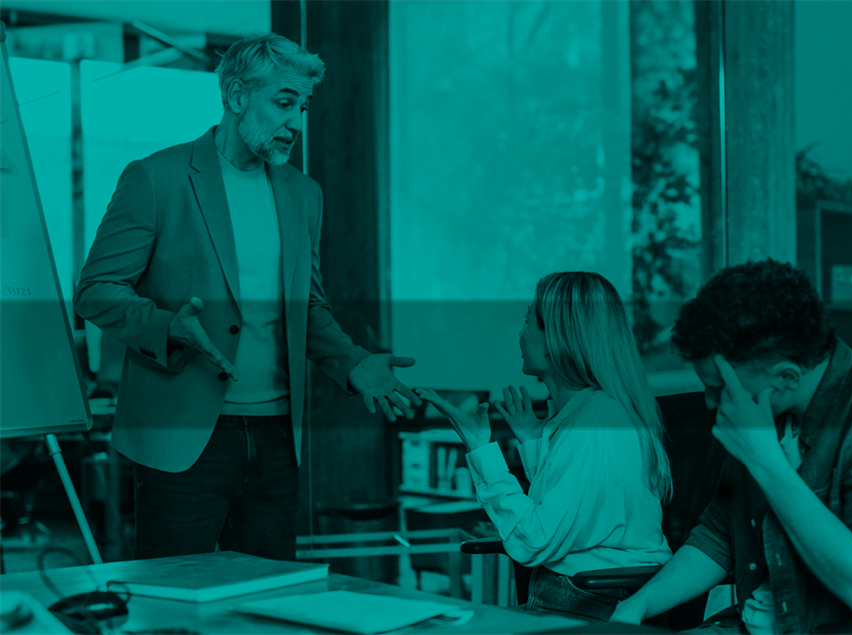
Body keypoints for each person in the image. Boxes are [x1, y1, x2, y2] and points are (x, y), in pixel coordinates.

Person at [73, 32, 422, 561]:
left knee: (268, 601)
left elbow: (308, 306)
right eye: (284, 103)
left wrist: (352, 363)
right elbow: (96, 290)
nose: (296, 124)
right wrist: (166, 326)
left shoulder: (305, 195)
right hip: (183, 441)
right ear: (237, 97)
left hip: (278, 441)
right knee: (176, 603)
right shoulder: (156, 179)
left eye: (301, 106)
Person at [611, 259, 852, 634]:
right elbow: (719, 535)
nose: (710, 403)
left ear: (787, 377)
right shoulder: (766, 409)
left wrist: (765, 460)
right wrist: (637, 606)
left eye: (721, 388)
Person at [418, 271, 672, 621]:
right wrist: (535, 443)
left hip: (591, 601)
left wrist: (481, 447)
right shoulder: (589, 412)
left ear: (554, 339)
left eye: (528, 322)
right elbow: (578, 513)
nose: (521, 335)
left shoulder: (595, 420)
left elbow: (535, 540)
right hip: (579, 593)